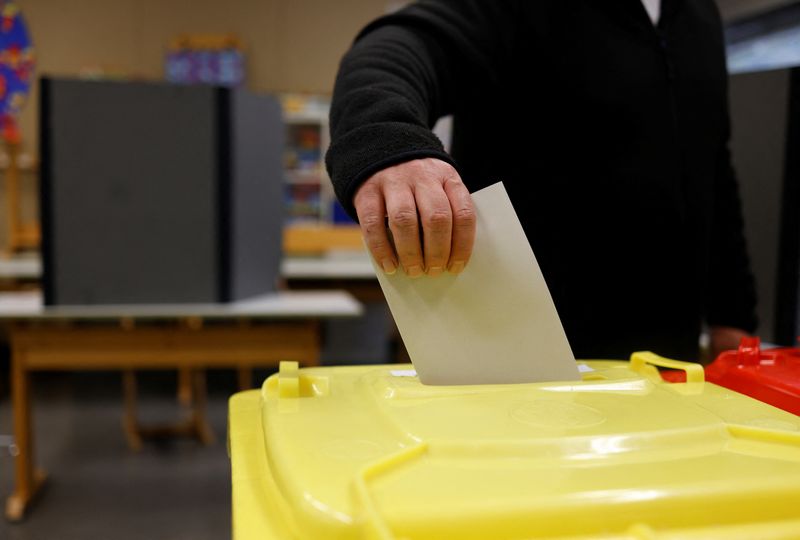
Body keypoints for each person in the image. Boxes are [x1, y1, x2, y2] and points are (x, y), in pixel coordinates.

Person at [325, 0, 757, 361]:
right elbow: (399, 46)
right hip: (520, 364)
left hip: (665, 365)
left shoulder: (699, 15)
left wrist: (733, 314)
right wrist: (388, 143)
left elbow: (713, 170)